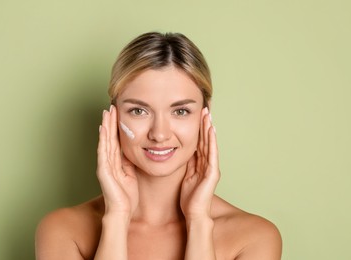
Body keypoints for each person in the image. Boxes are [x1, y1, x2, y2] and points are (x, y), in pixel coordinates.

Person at [35, 32, 282, 260]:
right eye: (139, 110)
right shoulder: (63, 230)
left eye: (181, 111)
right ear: (114, 116)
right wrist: (117, 217)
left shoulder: (253, 238)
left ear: (204, 116)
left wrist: (198, 221)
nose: (160, 134)